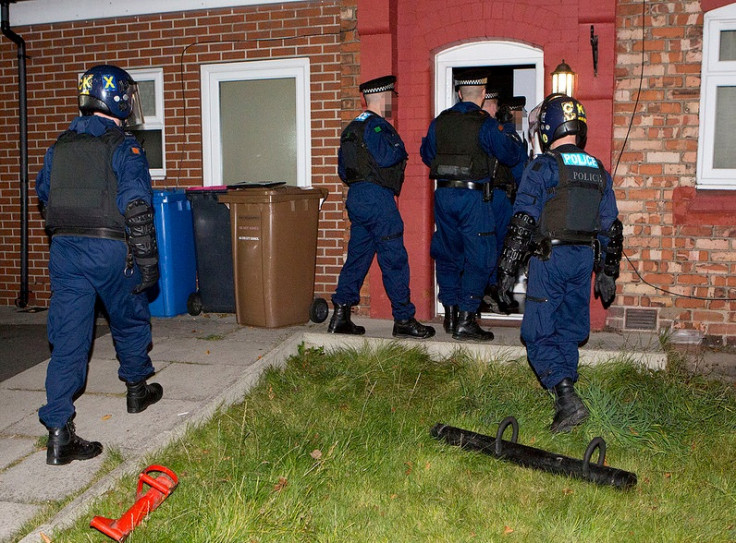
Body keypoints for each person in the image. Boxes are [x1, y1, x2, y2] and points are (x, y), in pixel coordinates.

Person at [36, 64, 163, 465]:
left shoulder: (60, 146)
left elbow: (45, 195)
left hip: (65, 250)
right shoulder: (124, 147)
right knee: (129, 317)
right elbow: (137, 206)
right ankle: (136, 389)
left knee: (69, 338)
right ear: (117, 97)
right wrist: (147, 261)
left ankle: (58, 432)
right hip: (110, 249)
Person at [496, 94, 623, 433]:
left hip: (550, 258)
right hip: (583, 259)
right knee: (568, 329)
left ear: (549, 128)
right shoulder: (599, 171)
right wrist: (608, 272)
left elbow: (523, 219)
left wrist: (507, 270)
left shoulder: (543, 166)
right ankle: (566, 400)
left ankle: (566, 397)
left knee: (538, 332)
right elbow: (611, 226)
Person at [420, 70, 525, 340]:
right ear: (481, 96)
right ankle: (467, 317)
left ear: (459, 94)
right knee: (482, 255)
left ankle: (451, 313)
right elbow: (512, 154)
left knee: (448, 252)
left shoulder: (439, 122)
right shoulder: (484, 124)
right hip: (473, 196)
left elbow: (427, 154)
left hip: (443, 195)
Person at [328, 75, 435, 340]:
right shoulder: (377, 127)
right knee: (393, 257)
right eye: (392, 98)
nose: (393, 103)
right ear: (384, 98)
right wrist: (400, 146)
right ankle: (403, 318)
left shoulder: (351, 128)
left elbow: (343, 171)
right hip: (378, 199)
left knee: (358, 256)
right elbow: (387, 157)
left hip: (357, 197)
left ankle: (340, 315)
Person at [481, 90, 527, 315]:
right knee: (504, 247)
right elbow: (521, 173)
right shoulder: (511, 135)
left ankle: (490, 290)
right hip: (503, 198)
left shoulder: (498, 132)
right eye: (520, 111)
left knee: (492, 246)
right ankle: (499, 291)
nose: (523, 115)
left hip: (492, 196)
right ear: (510, 113)